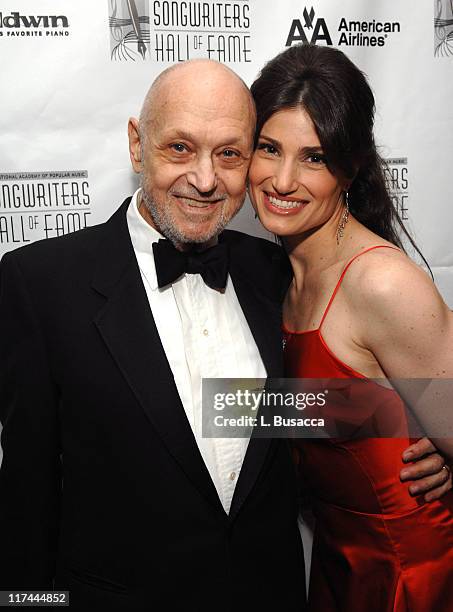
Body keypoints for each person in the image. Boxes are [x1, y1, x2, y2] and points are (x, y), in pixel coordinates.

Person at [0, 58, 448, 612]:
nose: (206, 179)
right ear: (138, 145)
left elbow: (273, 411)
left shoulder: (275, 271)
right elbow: (25, 501)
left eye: (230, 153)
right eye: (180, 148)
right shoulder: (40, 284)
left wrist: (421, 438)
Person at [249, 44, 453, 611]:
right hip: (338, 566)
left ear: (351, 165)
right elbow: (304, 408)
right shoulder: (267, 275)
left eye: (313, 158)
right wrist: (390, 418)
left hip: (411, 575)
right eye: (269, 149)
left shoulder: (381, 283)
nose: (283, 180)